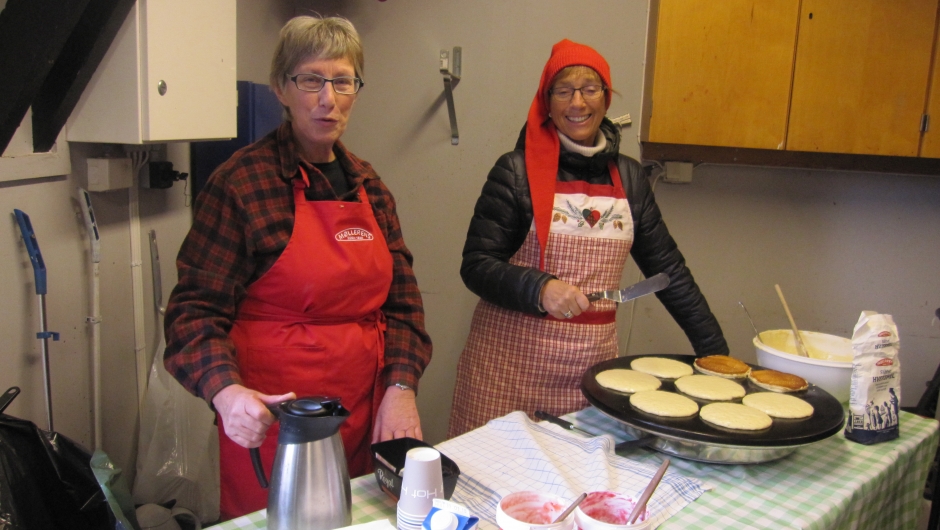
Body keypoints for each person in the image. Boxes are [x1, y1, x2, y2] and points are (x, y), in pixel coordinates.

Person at [163, 16, 432, 520]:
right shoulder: (241, 185)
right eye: (310, 80)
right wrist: (225, 392)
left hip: (360, 416)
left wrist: (401, 387)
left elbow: (404, 305)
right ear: (280, 89)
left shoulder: (369, 186)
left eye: (343, 81)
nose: (327, 98)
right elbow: (192, 314)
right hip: (270, 426)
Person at [448, 39, 728, 438]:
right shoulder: (515, 171)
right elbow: (476, 265)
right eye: (563, 90)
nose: (577, 102)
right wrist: (539, 287)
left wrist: (716, 355)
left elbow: (670, 273)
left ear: (606, 98)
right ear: (547, 102)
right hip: (508, 370)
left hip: (588, 377)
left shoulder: (630, 178)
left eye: (589, 88)